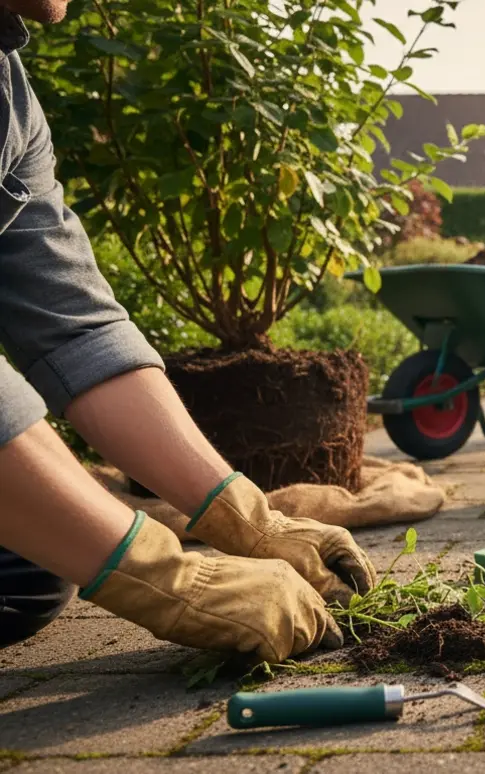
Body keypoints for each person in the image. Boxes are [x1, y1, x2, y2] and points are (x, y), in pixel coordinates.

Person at [0, 0, 377, 663]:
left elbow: (74, 327)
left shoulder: (10, 90)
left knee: (30, 571)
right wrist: (165, 577)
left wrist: (250, 520)